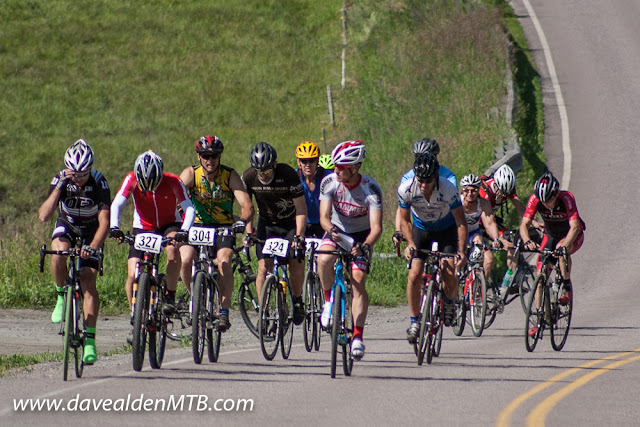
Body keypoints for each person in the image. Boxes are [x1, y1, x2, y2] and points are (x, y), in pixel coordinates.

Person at [38, 139, 110, 364]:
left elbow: (105, 223)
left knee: (88, 280)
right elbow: (43, 215)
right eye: (74, 174)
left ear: (90, 169)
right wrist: (59, 185)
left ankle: (89, 341)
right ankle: (61, 296)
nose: (78, 179)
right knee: (58, 252)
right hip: (67, 222)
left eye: (82, 174)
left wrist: (93, 247)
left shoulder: (99, 182)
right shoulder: (61, 178)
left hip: (91, 229)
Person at [178, 135, 253, 331]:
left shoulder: (229, 175)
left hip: (223, 227)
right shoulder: (190, 174)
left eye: (213, 156)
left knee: (224, 260)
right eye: (205, 156)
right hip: (196, 226)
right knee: (185, 259)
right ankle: (194, 299)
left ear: (219, 156)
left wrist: (243, 222)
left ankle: (224, 311)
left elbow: (246, 204)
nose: (209, 160)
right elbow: (174, 196)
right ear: (198, 156)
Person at [109, 150, 195, 320]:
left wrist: (184, 231)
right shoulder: (131, 178)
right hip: (143, 226)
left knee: (172, 250)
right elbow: (117, 203)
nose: (149, 189)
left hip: (169, 223)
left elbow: (189, 208)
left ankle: (170, 294)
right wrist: (114, 226)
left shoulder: (173, 181)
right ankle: (134, 314)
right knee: (133, 274)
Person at [317, 140, 383, 360]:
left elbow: (377, 228)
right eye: (335, 166)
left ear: (354, 168)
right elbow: (324, 219)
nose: (335, 170)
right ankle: (328, 302)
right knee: (324, 259)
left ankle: (357, 336)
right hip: (337, 231)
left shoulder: (370, 189)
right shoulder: (329, 182)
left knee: (357, 280)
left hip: (362, 236)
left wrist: (364, 247)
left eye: (340, 167)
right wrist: (333, 232)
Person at [397, 153, 467, 343]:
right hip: (422, 230)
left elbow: (461, 222)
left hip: (446, 229)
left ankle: (450, 303)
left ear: (436, 177)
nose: (423, 185)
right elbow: (404, 220)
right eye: (420, 180)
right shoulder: (407, 188)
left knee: (449, 271)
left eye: (428, 181)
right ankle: (414, 321)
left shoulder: (448, 188)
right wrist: (410, 243)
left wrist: (461, 251)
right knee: (414, 274)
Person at [242, 142, 307, 325]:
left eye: (268, 171)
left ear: (275, 164)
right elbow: (247, 208)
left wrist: (299, 237)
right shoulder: (248, 176)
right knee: (263, 268)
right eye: (260, 172)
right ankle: (263, 314)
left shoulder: (287, 174)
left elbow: (301, 208)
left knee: (295, 260)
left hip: (289, 224)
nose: (264, 175)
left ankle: (297, 299)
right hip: (267, 224)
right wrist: (248, 232)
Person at [520, 172, 584, 336]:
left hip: (571, 234)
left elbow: (575, 226)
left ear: (555, 194)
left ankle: (566, 287)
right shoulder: (535, 199)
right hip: (551, 235)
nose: (546, 204)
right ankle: (538, 318)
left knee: (562, 250)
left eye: (549, 199)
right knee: (540, 273)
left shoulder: (566, 198)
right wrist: (527, 240)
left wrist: (565, 244)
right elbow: (524, 225)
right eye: (543, 201)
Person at [393, 138, 457, 245]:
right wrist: (398, 231)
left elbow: (456, 206)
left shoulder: (448, 177)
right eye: (418, 157)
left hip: (445, 227)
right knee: (415, 260)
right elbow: (402, 207)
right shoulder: (408, 178)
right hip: (421, 227)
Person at [459, 174, 506, 283]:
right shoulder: (457, 202)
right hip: (457, 233)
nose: (470, 194)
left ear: (478, 190)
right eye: (467, 190)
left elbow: (490, 223)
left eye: (474, 190)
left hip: (473, 233)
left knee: (483, 254)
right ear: (462, 190)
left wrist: (496, 239)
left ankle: (477, 285)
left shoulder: (483, 203)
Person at [295, 141, 330, 238]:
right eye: (304, 161)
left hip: (323, 224)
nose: (308, 164)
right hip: (302, 223)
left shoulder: (327, 176)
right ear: (299, 162)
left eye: (311, 160)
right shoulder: (294, 177)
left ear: (317, 160)